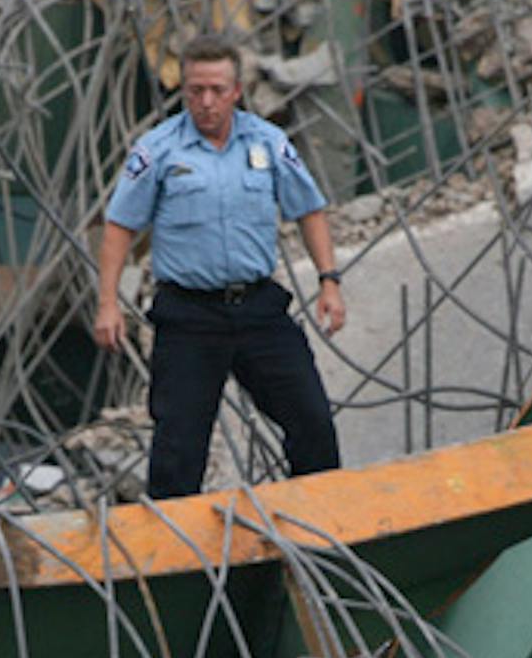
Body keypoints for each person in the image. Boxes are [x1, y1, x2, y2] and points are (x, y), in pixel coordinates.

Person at [93, 32, 346, 499]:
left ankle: (317, 526)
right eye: (195, 91)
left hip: (259, 310)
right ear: (184, 90)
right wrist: (108, 304)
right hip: (189, 317)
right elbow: (119, 226)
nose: (206, 102)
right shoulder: (159, 149)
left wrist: (329, 281)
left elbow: (308, 209)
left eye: (216, 90)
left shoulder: (268, 142)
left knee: (312, 423)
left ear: (236, 91)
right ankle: (173, 556)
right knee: (178, 448)